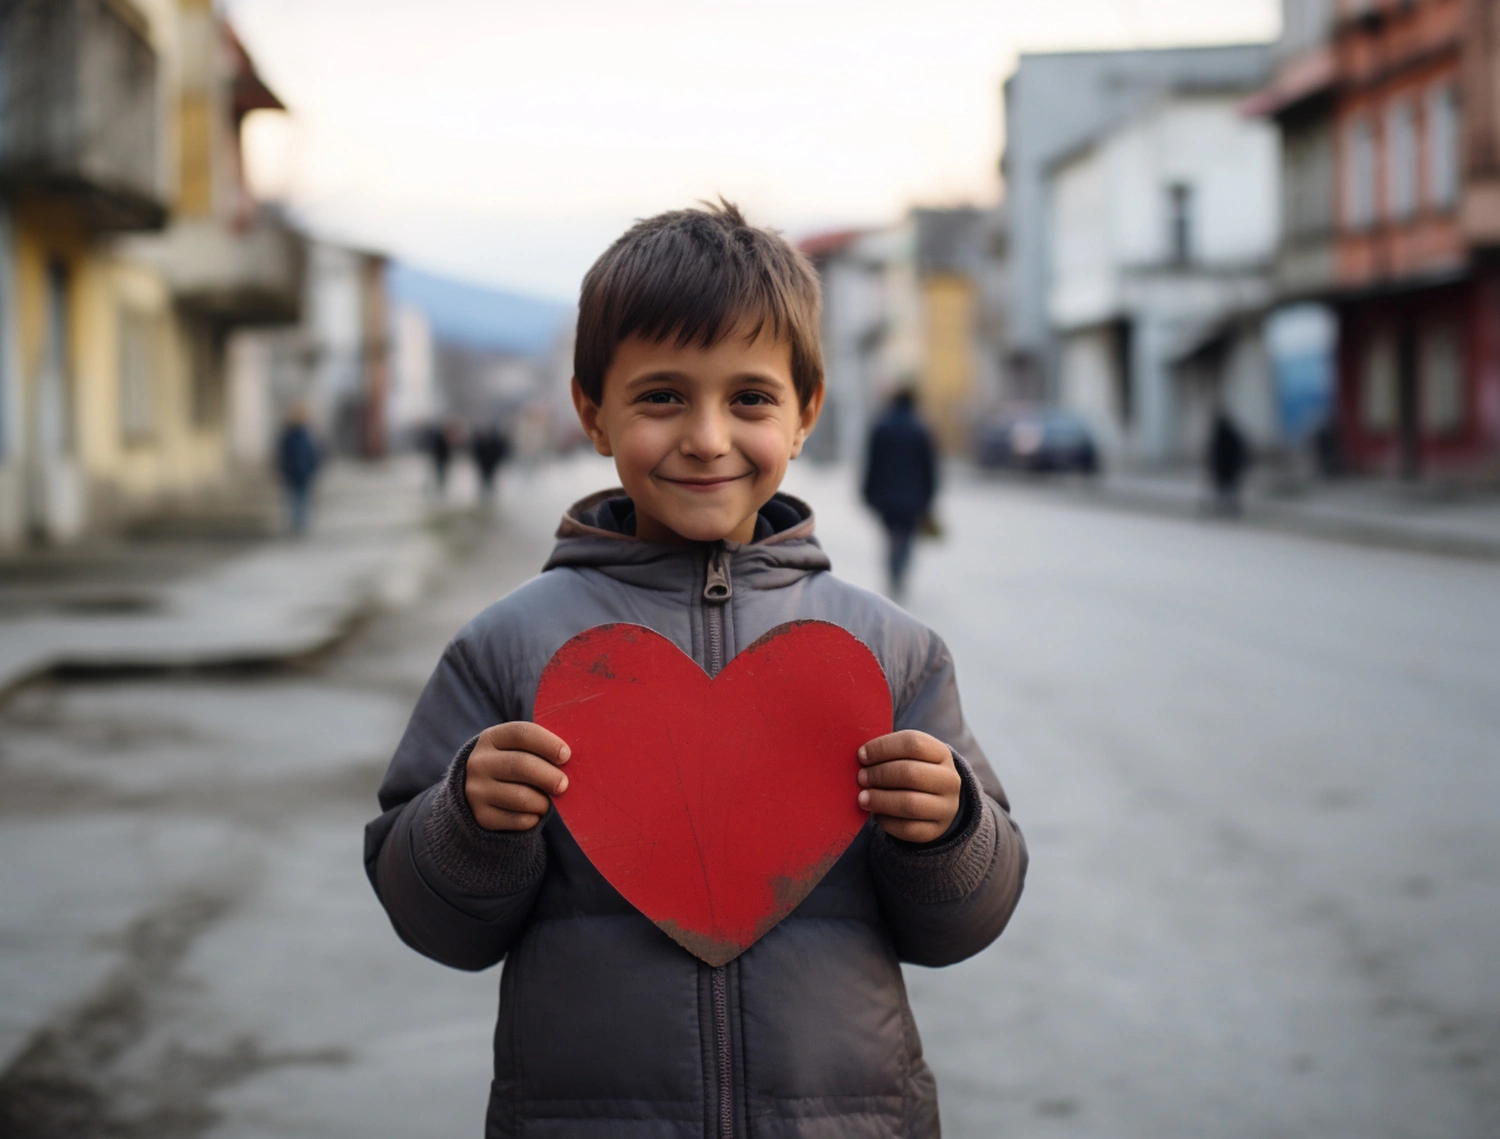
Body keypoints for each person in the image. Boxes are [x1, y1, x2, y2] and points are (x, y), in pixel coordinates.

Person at [366, 202, 1026, 1137]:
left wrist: (950, 829)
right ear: (592, 412)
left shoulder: (890, 655)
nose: (708, 437)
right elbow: (435, 922)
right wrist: (467, 824)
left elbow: (962, 923)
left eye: (750, 398)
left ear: (807, 413)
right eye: (662, 396)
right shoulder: (508, 651)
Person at [862, 387, 938, 598]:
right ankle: (900, 572)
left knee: (891, 537)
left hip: (885, 497)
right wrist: (929, 498)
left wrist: (867, 493)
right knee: (906, 538)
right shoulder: (920, 430)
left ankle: (893, 572)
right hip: (913, 498)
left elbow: (872, 464)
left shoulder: (881, 427)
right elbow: (929, 469)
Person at [275, 405, 320, 536]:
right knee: (295, 499)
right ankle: (296, 523)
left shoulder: (306, 435)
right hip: (293, 473)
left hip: (303, 473)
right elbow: (283, 456)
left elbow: (313, 454)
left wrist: (312, 468)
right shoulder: (289, 437)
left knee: (302, 499)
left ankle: (301, 523)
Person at [1206, 408, 1249, 516]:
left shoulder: (1225, 435)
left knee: (1228, 490)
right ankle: (1227, 509)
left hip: (1227, 468)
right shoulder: (1227, 434)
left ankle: (1229, 509)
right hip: (1226, 468)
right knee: (1227, 490)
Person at [470, 422, 511, 502]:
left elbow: (500, 453)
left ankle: (490, 495)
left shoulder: (496, 442)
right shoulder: (479, 443)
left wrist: (497, 462)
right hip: (483, 464)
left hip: (492, 464)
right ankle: (483, 496)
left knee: (491, 479)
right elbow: (476, 453)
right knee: (483, 479)